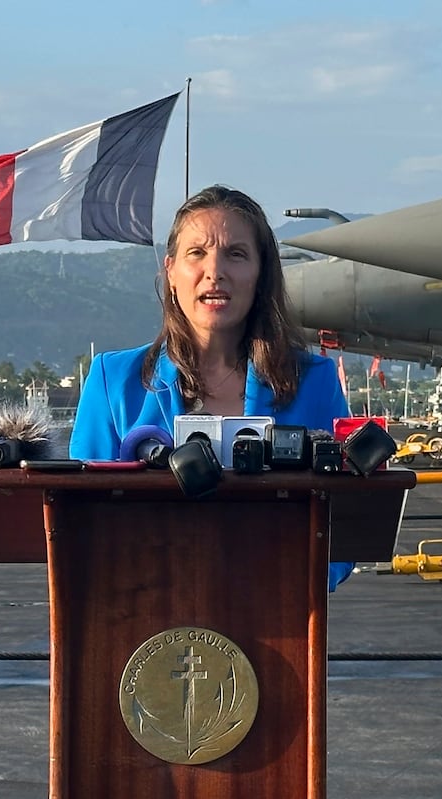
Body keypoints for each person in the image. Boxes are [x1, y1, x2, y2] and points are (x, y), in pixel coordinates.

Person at [69, 184, 352, 584]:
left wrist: (287, 587)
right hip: (143, 619)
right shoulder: (112, 381)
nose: (215, 271)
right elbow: (77, 521)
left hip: (276, 620)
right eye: (196, 253)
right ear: (170, 272)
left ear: (260, 274)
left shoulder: (316, 381)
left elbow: (343, 529)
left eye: (236, 254)